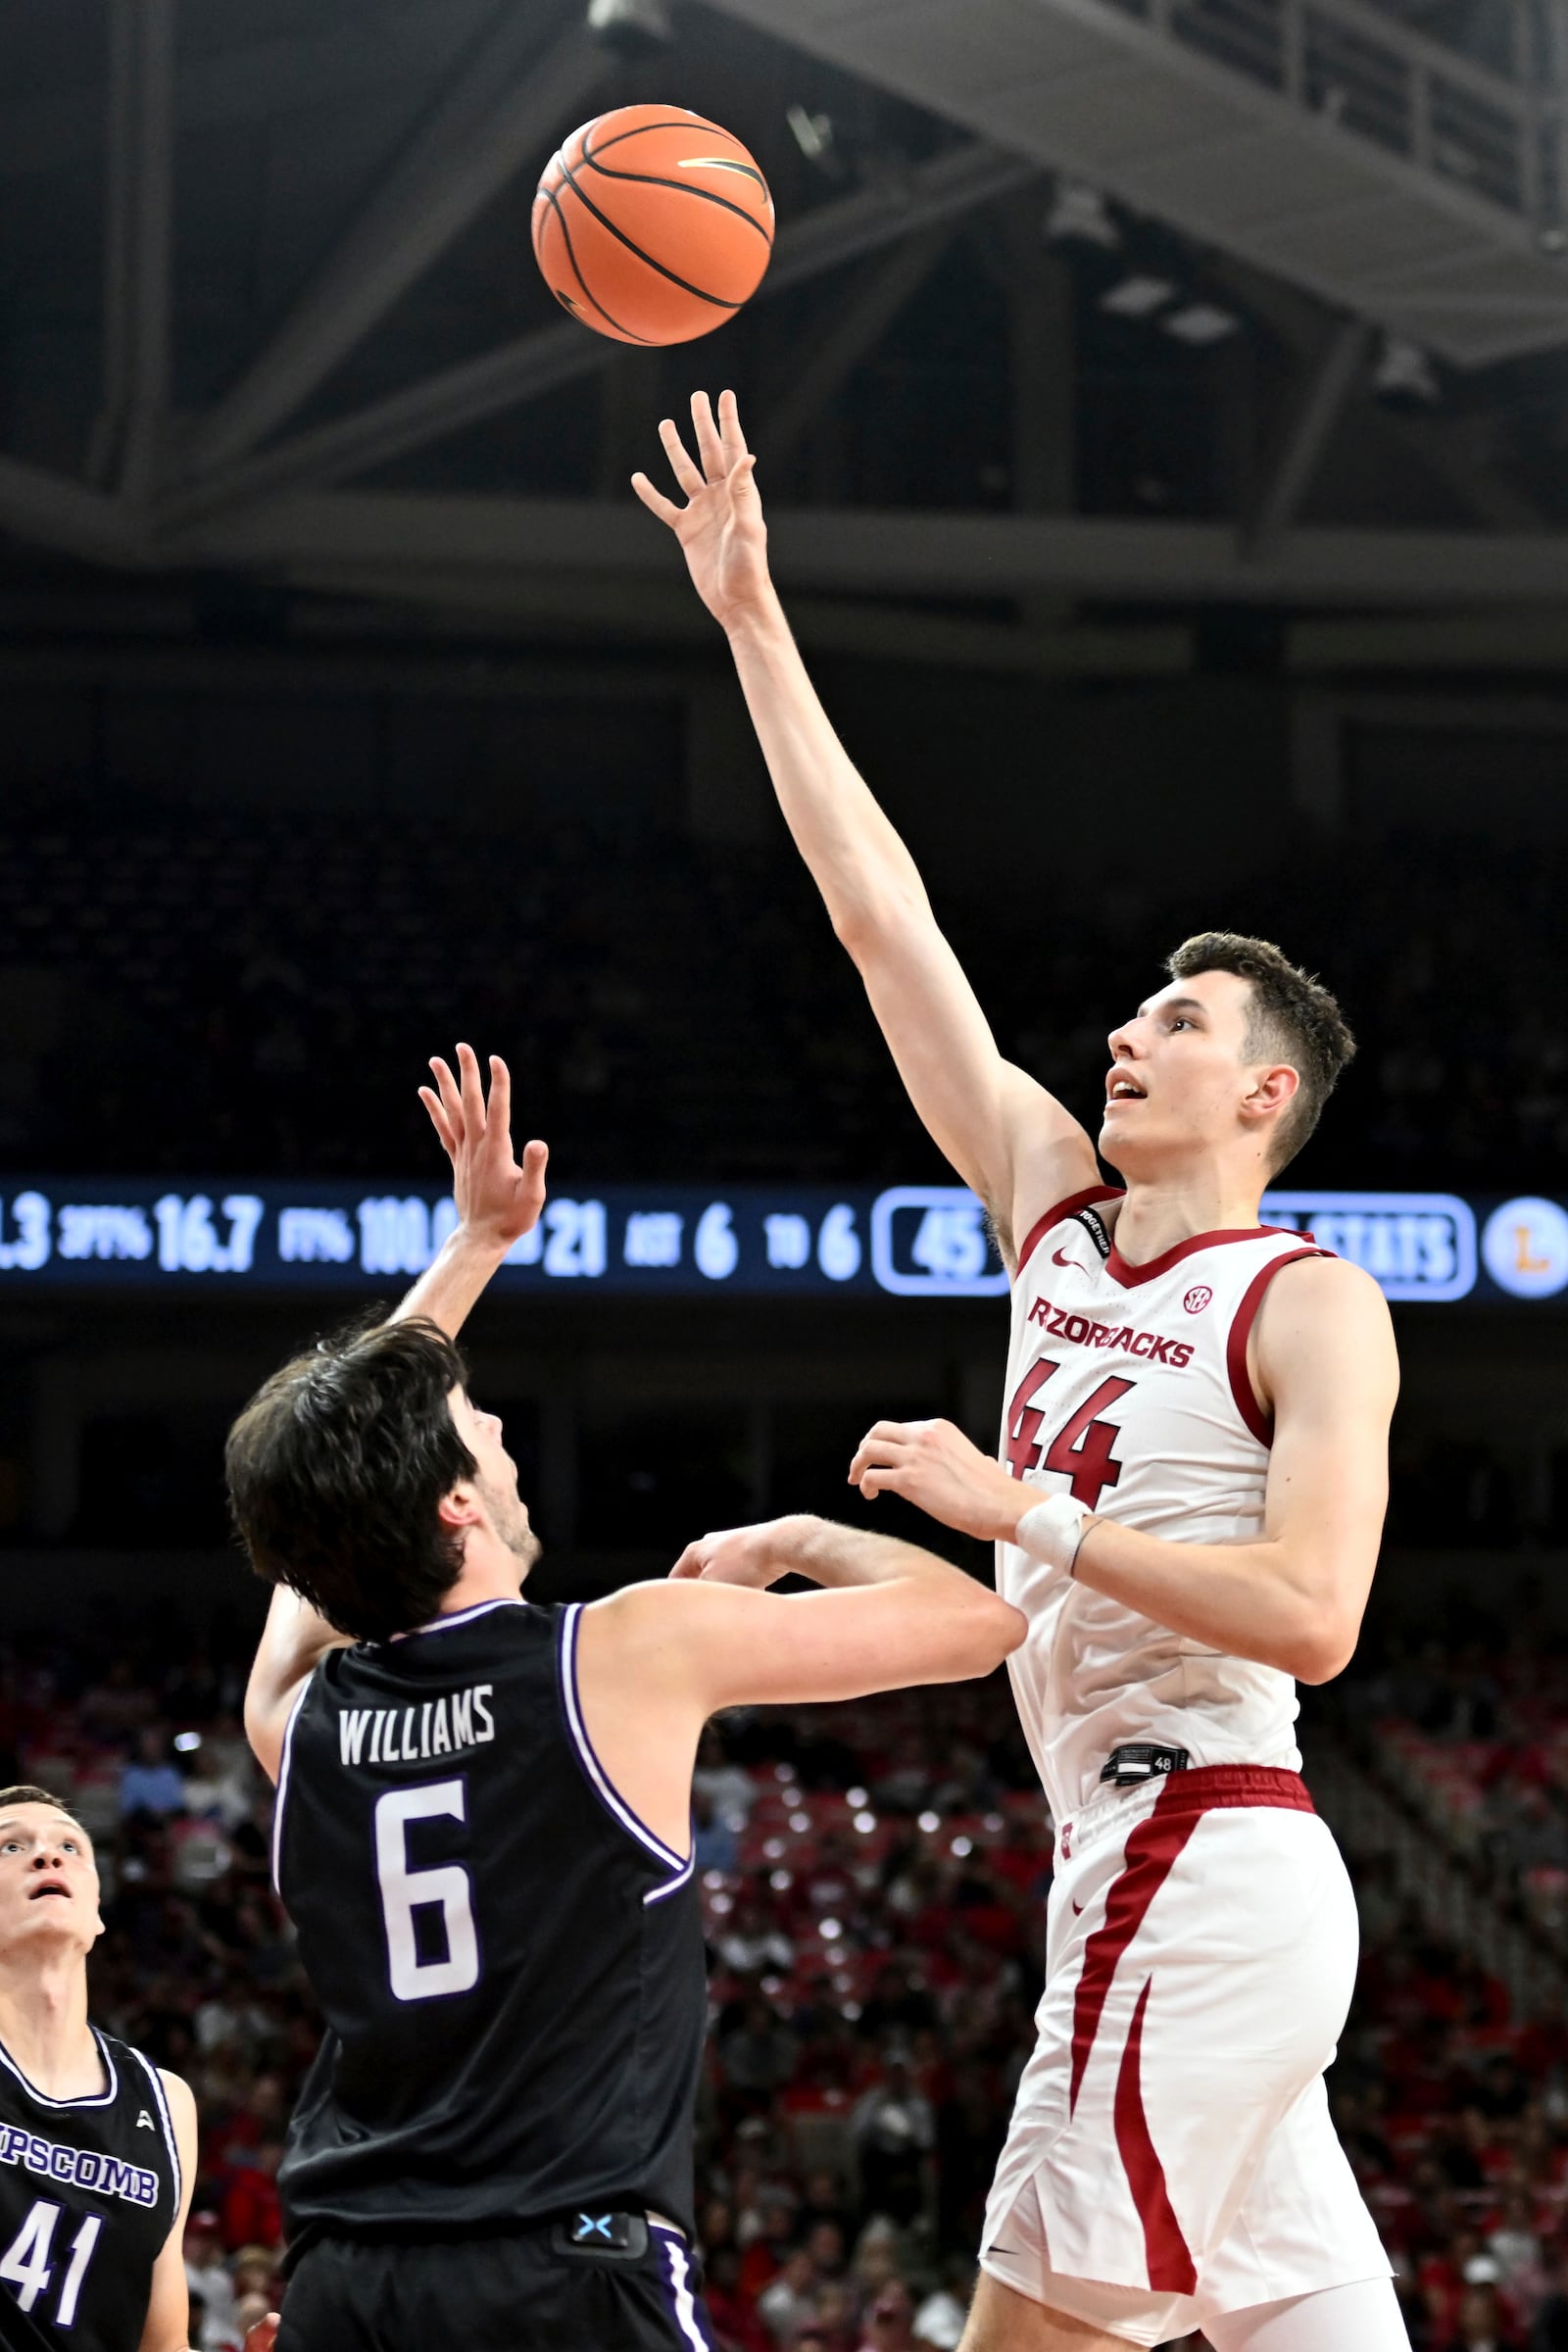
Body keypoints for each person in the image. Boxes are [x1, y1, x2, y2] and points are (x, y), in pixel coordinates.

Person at [637, 392, 1406, 2351]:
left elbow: (1314, 1616)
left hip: (1197, 1849)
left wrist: (1030, 1516)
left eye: (1174, 1017)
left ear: (1258, 1092)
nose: (1120, 1036)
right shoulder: (1049, 1212)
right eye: (1129, 1007)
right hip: (1154, 1865)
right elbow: (878, 925)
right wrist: (751, 626)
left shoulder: (1305, 1299)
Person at [229, 1044, 1022, 2352]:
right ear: (453, 1504)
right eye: (480, 1426)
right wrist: (802, 1538)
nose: (503, 1435)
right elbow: (978, 1626)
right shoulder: (615, 1655)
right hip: (561, 2273)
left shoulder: (300, 1719)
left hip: (343, 2288)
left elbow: (324, 1481)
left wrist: (475, 1246)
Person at [0, 1784, 198, 2349]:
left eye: (71, 1847)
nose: (47, 1854)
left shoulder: (165, 2104)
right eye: (10, 1848)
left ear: (97, 1912)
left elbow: (162, 2345)